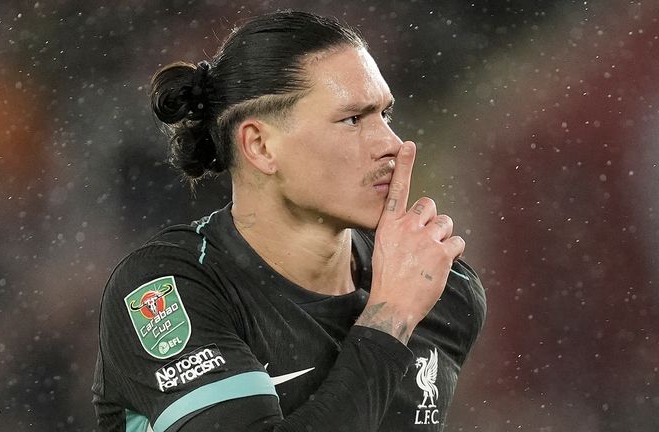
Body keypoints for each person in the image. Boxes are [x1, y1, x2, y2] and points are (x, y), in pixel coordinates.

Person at [92, 10, 486, 432]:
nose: (390, 144)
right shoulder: (171, 289)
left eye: (385, 116)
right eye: (353, 119)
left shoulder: (443, 289)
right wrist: (389, 319)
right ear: (260, 146)